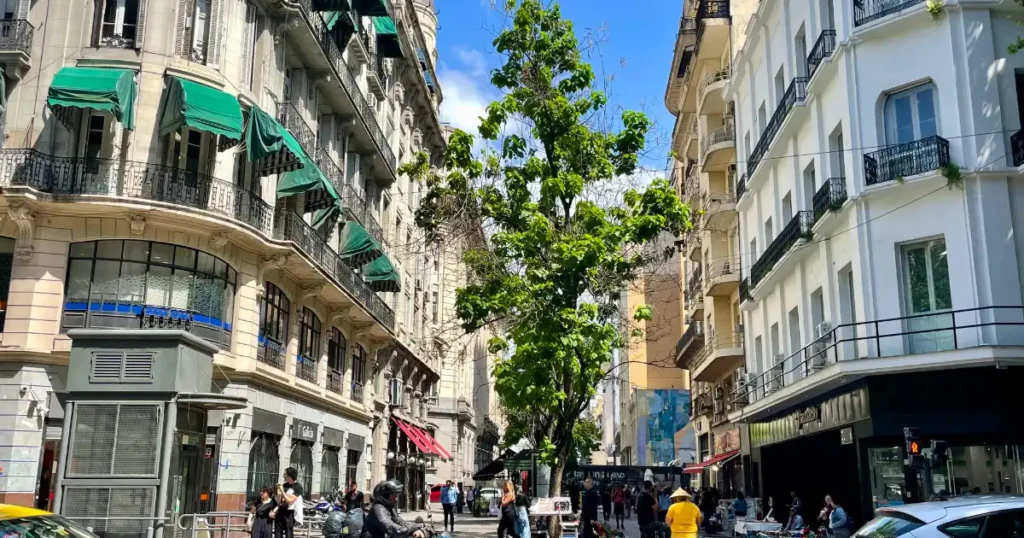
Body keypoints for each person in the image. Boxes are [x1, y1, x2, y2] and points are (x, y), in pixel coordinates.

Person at [275, 467, 304, 538]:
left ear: (290, 476)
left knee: (289, 533)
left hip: (289, 513)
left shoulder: (298, 487)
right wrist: (278, 491)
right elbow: (279, 500)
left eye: (285, 474)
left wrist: (282, 491)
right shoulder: (284, 485)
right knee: (278, 533)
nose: (283, 476)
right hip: (280, 511)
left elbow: (289, 501)